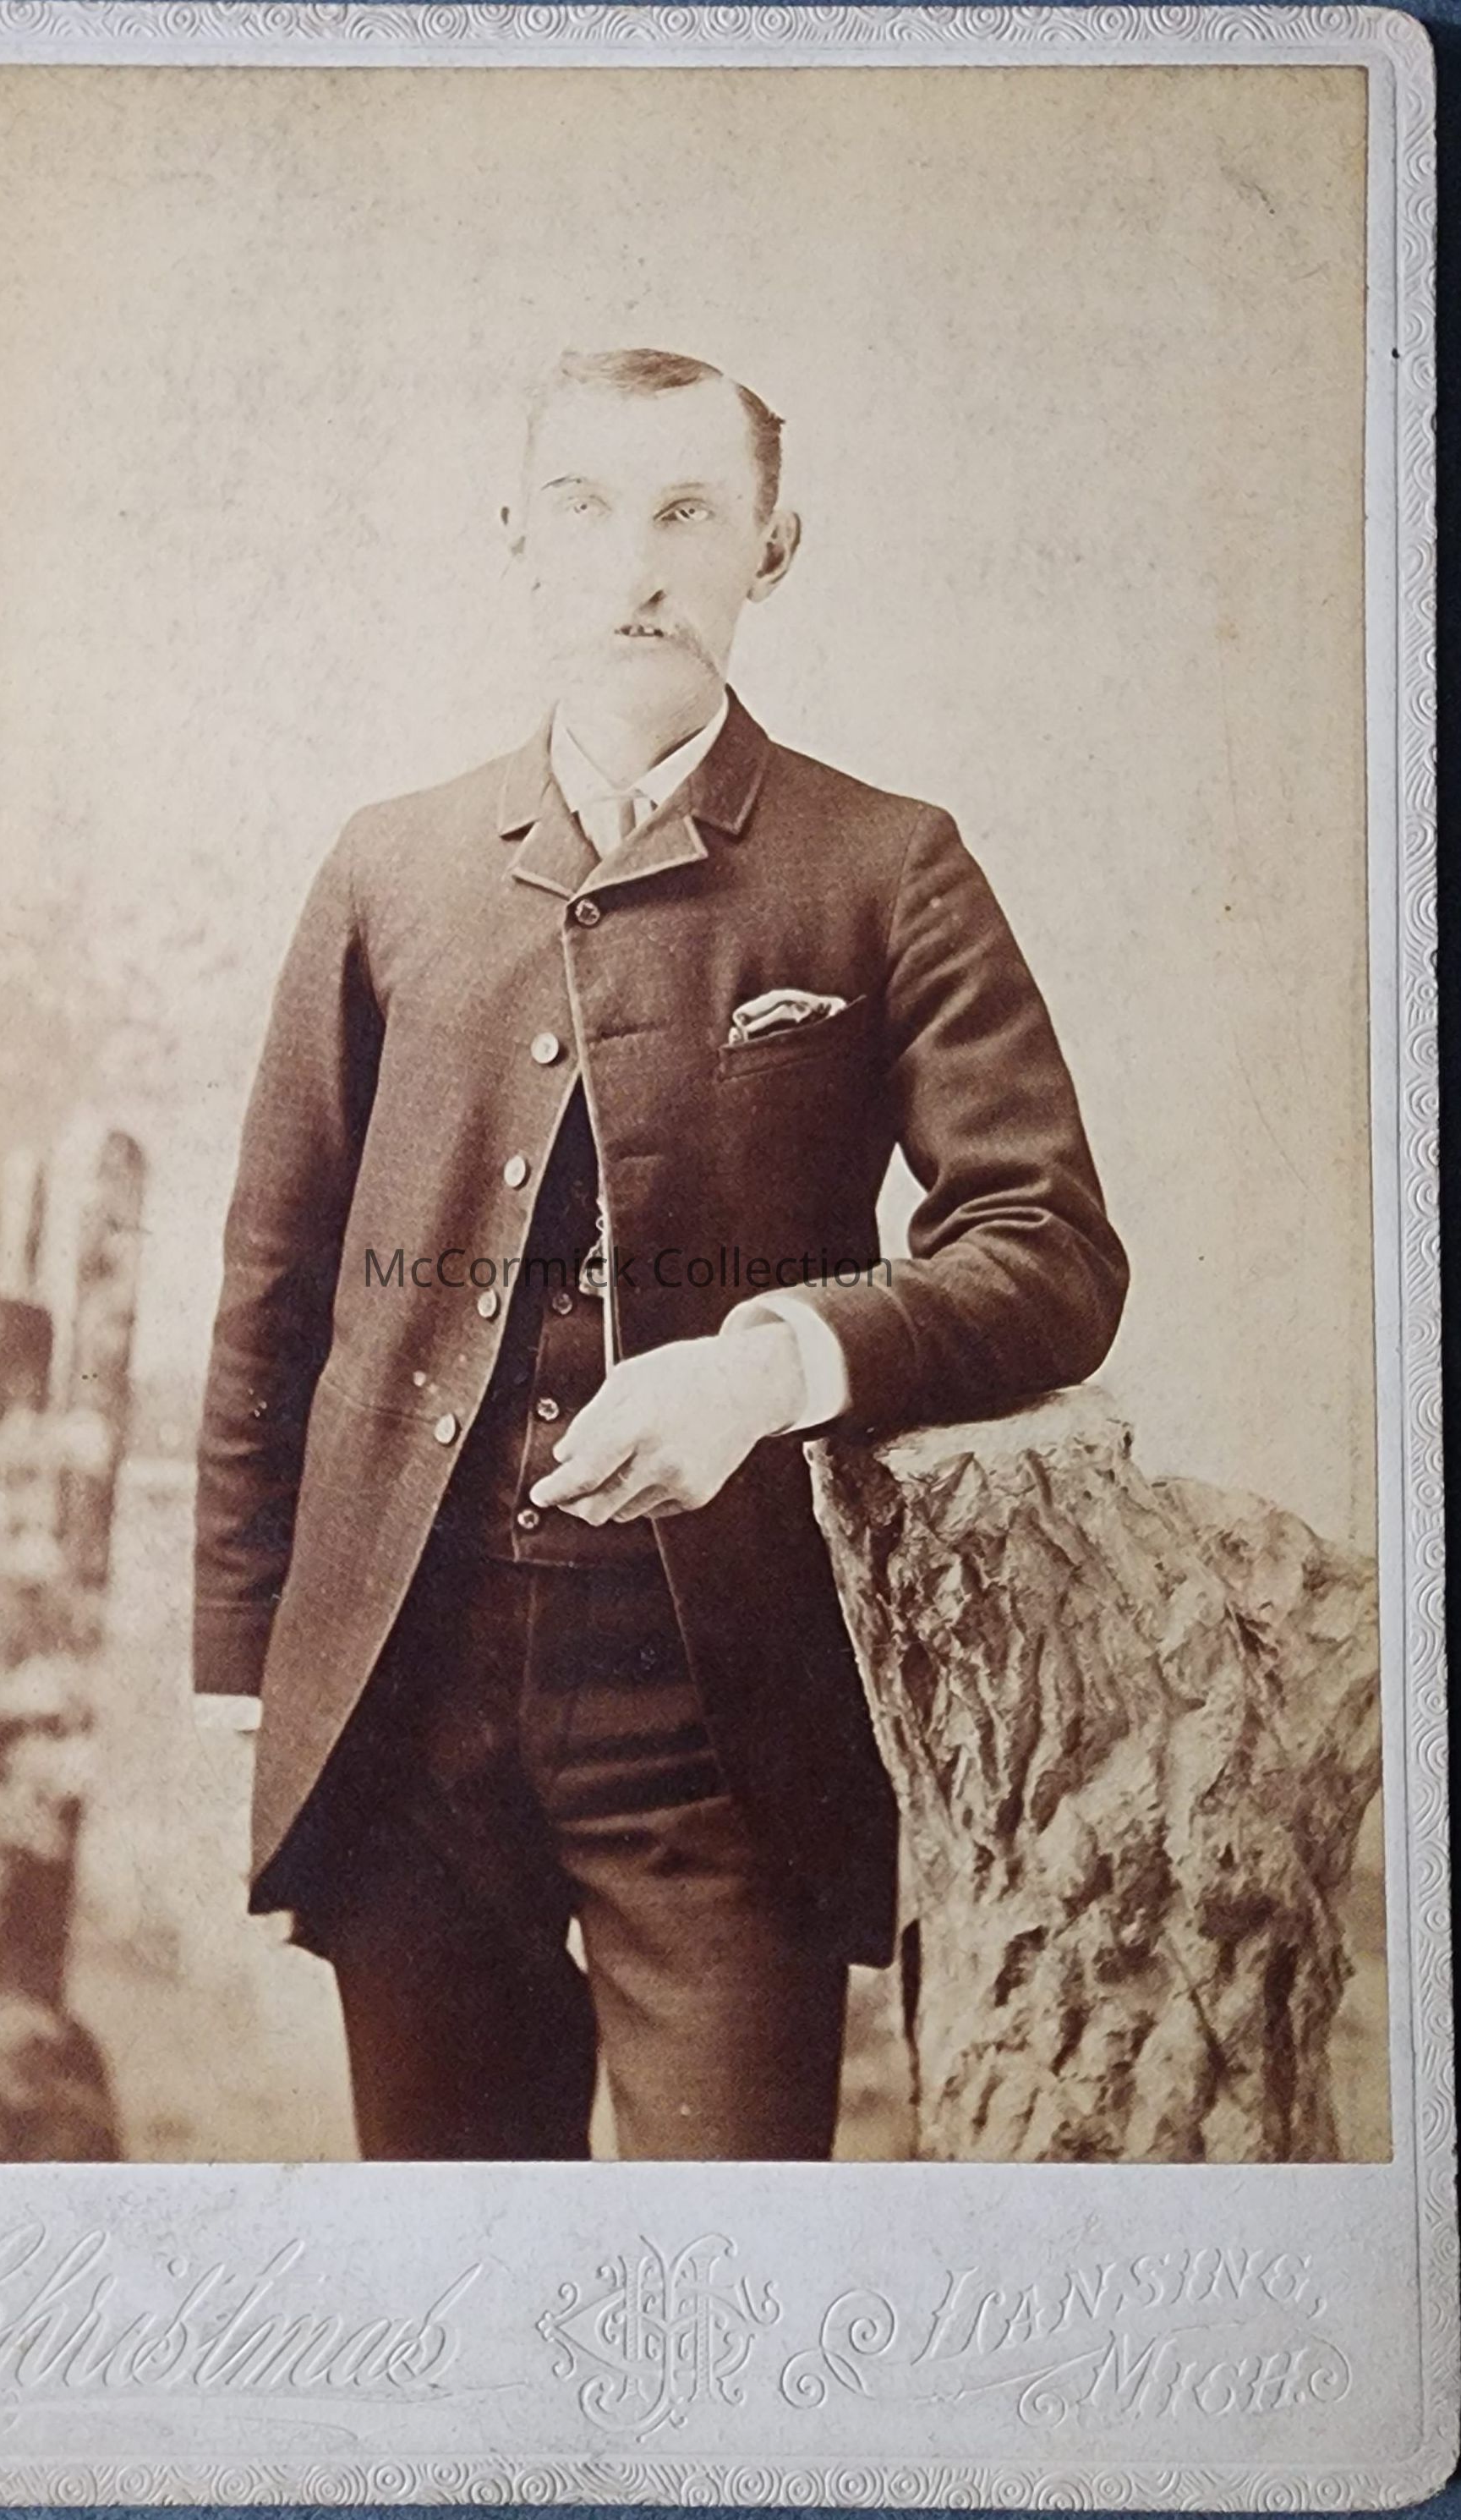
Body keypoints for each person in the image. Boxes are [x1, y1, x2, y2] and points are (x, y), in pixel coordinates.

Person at [193, 346, 1128, 2162]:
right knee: (454, 2251)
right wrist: (250, 1645)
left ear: (772, 549)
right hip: (407, 1686)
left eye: (688, 513)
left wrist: (769, 1368)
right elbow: (277, 1276)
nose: (634, 565)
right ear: (519, 542)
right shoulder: (390, 867)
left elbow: (1049, 1246)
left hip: (722, 1708)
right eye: (587, 509)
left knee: (723, 2255)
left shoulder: (885, 865)